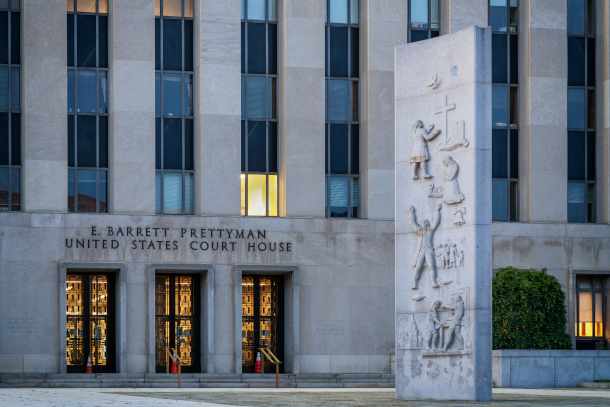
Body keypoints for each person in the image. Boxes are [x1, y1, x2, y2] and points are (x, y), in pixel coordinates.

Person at [409, 203, 442, 289]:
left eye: (425, 222)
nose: (423, 223)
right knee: (418, 267)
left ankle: (433, 282)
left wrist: (437, 211)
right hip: (420, 251)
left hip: (428, 250)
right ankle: (414, 283)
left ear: (427, 223)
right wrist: (411, 213)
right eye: (422, 222)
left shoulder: (430, 230)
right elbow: (412, 224)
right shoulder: (418, 231)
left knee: (431, 267)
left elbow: (436, 222)